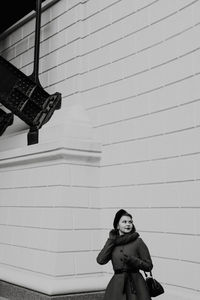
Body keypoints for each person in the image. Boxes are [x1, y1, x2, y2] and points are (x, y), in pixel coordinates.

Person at [96, 209, 153, 300]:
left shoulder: (138, 241)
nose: (128, 224)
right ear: (117, 225)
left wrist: (133, 261)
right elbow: (100, 260)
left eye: (130, 222)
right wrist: (111, 240)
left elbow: (149, 266)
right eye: (124, 222)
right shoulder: (112, 243)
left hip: (136, 286)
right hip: (117, 286)